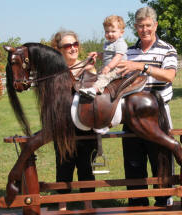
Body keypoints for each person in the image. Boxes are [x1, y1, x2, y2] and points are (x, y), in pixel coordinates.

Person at [117, 6, 177, 207]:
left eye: (148, 26)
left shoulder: (167, 49)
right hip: (131, 115)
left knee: (160, 159)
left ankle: (163, 202)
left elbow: (169, 75)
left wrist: (142, 66)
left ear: (155, 25)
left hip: (158, 114)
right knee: (134, 162)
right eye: (140, 26)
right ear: (135, 27)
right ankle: (137, 204)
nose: (144, 30)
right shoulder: (127, 52)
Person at [50, 30, 97, 210]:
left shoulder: (89, 66)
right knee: (64, 166)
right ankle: (62, 207)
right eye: (68, 45)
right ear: (59, 49)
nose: (73, 48)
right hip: (63, 127)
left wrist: (88, 69)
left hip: (86, 126)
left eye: (75, 44)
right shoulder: (55, 71)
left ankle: (88, 206)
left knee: (86, 167)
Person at [79, 15, 128, 98]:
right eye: (107, 32)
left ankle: (94, 90)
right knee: (96, 75)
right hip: (109, 67)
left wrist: (108, 67)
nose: (109, 34)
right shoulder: (108, 43)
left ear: (121, 33)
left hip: (119, 69)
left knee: (105, 77)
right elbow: (106, 56)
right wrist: (98, 54)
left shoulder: (120, 43)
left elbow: (117, 57)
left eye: (113, 31)